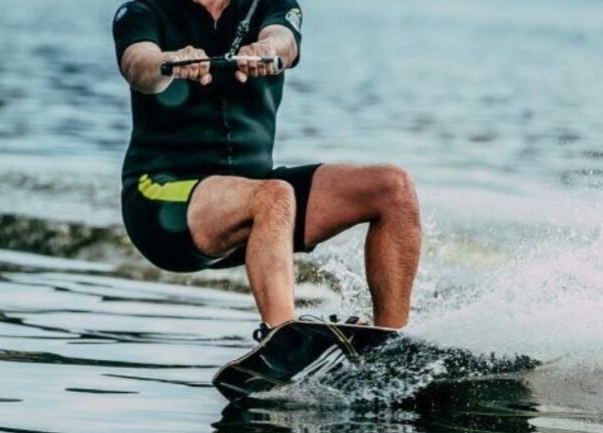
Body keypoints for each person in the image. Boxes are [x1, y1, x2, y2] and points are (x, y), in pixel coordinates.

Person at [112, 0, 421, 331]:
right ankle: (284, 336)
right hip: (162, 203)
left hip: (260, 211)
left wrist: (268, 50)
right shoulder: (142, 11)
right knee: (274, 196)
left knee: (393, 187)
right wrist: (170, 62)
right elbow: (138, 66)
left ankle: (389, 341)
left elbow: (284, 40)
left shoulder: (270, 5)